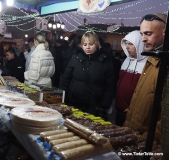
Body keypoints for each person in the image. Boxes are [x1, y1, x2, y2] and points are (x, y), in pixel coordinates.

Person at [123, 13, 167, 141]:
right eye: (142, 34)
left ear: (165, 34)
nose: (143, 39)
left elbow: (165, 120)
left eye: (148, 34)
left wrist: (145, 141)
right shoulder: (152, 59)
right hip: (135, 136)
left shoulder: (164, 64)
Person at [60, 31, 115, 119]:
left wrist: (104, 105)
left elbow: (110, 85)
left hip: (95, 107)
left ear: (96, 44)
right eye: (85, 44)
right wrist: (63, 100)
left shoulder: (105, 61)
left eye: (91, 44)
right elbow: (66, 80)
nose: (88, 47)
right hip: (74, 103)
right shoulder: (75, 58)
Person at [115, 30, 146, 126]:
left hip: (133, 113)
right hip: (119, 109)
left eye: (131, 44)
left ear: (139, 44)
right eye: (126, 44)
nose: (127, 47)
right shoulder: (126, 61)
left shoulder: (147, 64)